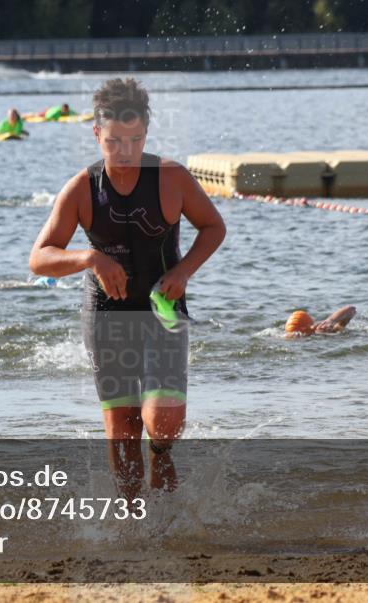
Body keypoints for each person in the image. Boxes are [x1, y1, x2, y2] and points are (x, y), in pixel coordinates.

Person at [29, 78, 225, 497]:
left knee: (162, 425)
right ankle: (133, 523)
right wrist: (89, 258)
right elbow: (39, 257)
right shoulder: (82, 188)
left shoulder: (171, 178)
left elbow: (213, 227)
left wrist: (184, 270)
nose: (125, 152)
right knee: (123, 428)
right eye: (114, 141)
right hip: (107, 315)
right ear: (97, 133)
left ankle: (162, 461)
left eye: (135, 140)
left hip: (163, 311)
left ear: (146, 133)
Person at [284, 305, 357, 338]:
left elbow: (351, 309)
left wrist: (330, 320)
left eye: (297, 333)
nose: (296, 335)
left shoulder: (323, 330)